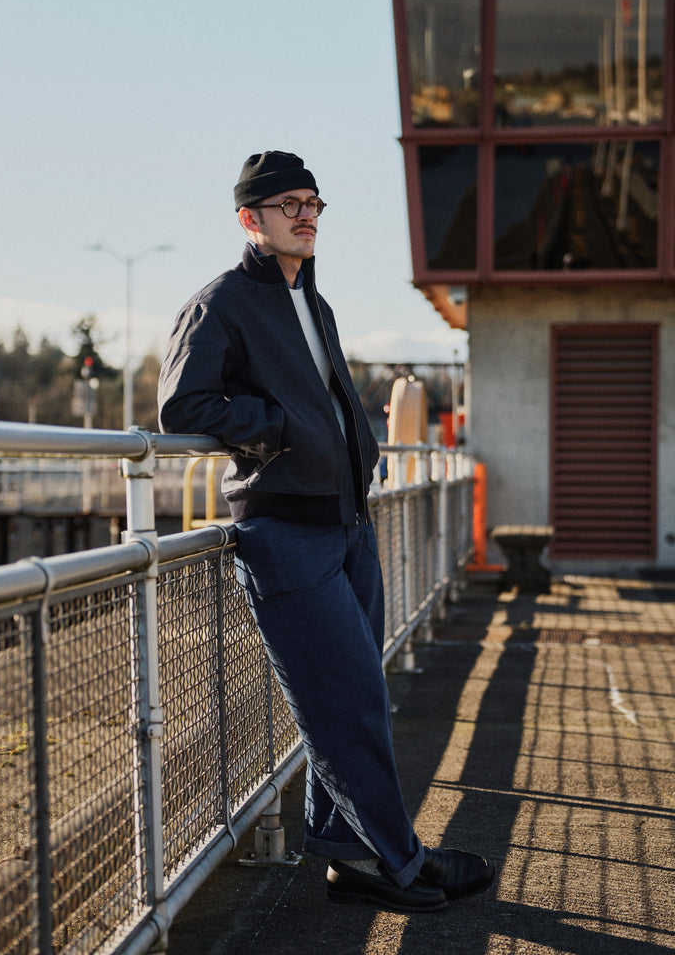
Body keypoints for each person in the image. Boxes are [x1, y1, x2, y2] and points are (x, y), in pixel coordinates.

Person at [158, 150, 494, 913]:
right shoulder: (222, 303)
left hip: (346, 522)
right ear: (250, 219)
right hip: (283, 530)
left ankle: (348, 855)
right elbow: (183, 407)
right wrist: (272, 427)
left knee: (356, 693)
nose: (306, 215)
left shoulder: (316, 301)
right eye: (287, 205)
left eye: (313, 202)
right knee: (346, 706)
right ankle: (404, 864)